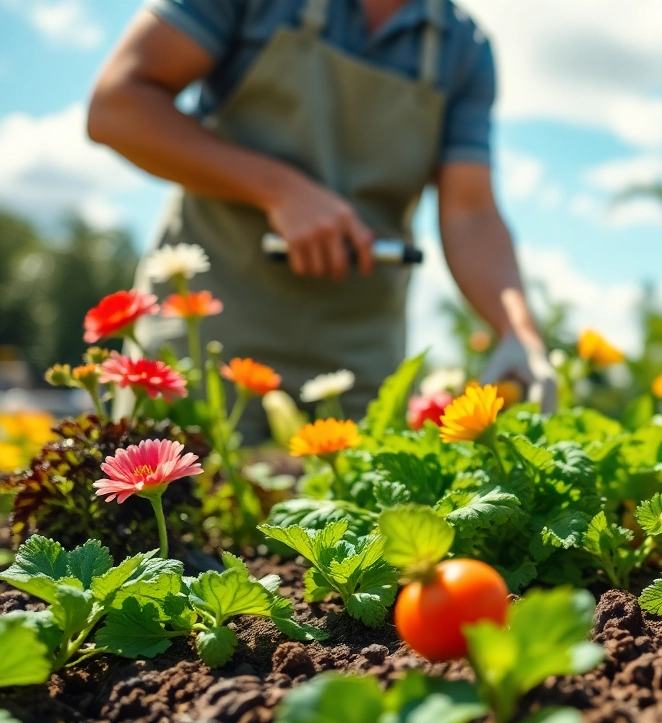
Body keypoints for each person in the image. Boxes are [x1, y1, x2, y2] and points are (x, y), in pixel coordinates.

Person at [87, 0, 556, 439]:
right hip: (210, 338)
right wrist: (278, 189)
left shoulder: (462, 48)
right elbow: (117, 106)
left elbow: (470, 213)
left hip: (360, 362)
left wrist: (519, 331)